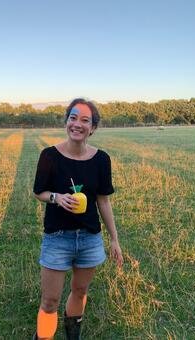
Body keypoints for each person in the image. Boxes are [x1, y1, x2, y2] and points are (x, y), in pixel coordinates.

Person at [32, 98, 123, 340]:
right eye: (73, 118)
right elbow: (38, 191)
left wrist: (114, 239)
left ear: (92, 128)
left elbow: (103, 200)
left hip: (89, 238)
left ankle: (73, 335)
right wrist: (56, 197)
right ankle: (43, 336)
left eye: (85, 120)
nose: (78, 124)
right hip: (57, 237)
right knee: (50, 300)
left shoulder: (101, 159)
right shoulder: (49, 156)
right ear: (66, 122)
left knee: (80, 291)